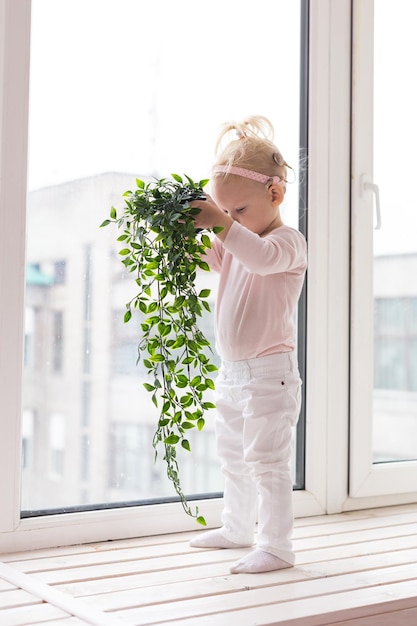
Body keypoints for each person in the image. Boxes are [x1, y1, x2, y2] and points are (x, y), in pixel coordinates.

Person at [189, 115, 307, 574]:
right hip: (233, 371)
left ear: (274, 195)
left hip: (268, 373)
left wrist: (223, 226)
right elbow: (215, 254)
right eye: (224, 212)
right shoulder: (239, 243)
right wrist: (188, 227)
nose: (229, 222)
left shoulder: (286, 242)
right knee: (233, 455)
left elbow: (256, 259)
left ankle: (276, 546)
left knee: (267, 459)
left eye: (237, 212)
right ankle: (237, 526)